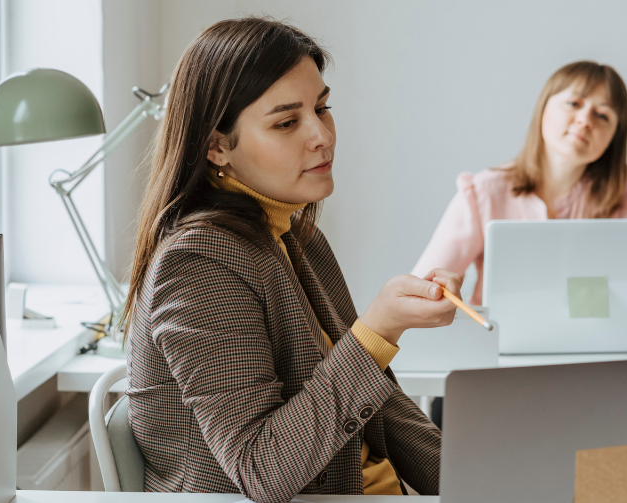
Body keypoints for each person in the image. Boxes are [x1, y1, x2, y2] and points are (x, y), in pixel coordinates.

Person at [122, 18, 457, 503]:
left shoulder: (297, 236)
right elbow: (264, 470)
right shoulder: (197, 265)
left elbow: (383, 410)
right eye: (286, 122)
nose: (322, 135)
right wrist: (378, 332)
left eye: (322, 108)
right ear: (217, 145)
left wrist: (483, 480)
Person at [412, 61, 627, 305]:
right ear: (543, 108)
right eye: (574, 103)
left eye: (602, 115)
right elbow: (421, 291)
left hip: (596, 340)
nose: (585, 120)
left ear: (614, 136)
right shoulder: (484, 193)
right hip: (495, 339)